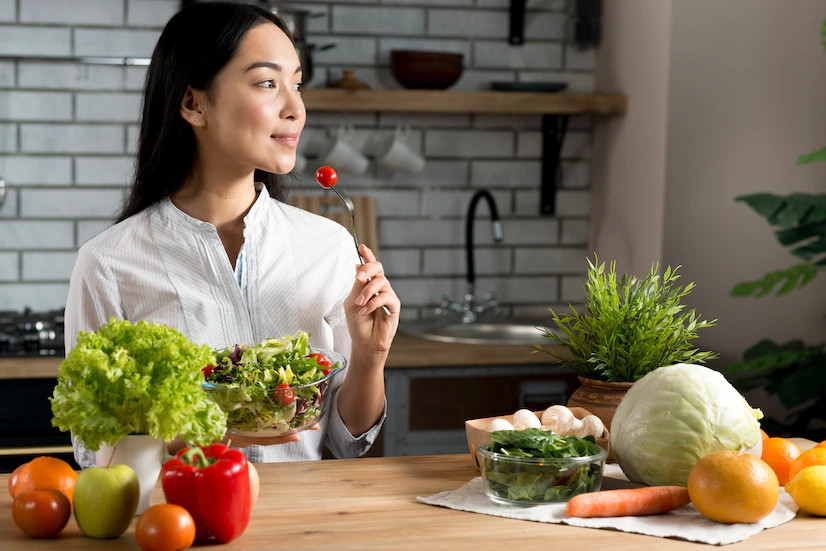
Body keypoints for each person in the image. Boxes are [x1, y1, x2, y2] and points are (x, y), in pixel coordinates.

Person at [64, 1, 400, 466]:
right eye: (266, 83)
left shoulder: (328, 246)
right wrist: (206, 433)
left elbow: (347, 443)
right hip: (181, 528)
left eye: (297, 85)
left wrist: (370, 355)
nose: (295, 109)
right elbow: (94, 451)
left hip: (305, 530)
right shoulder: (109, 262)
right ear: (194, 104)